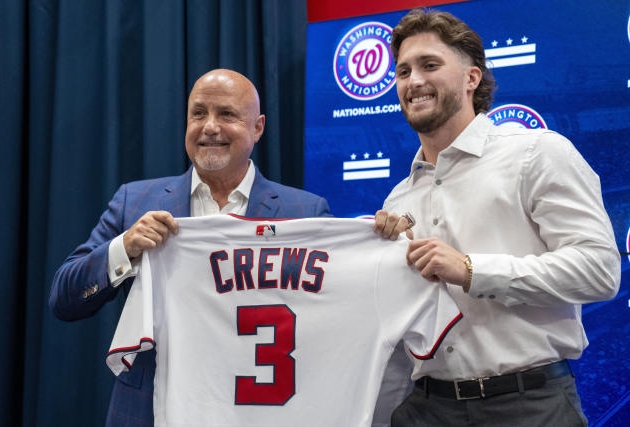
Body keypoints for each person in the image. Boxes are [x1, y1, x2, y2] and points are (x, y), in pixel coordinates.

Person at [373, 8, 620, 426]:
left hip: (530, 406)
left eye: (429, 65)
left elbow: (599, 271)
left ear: (472, 78)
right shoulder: (398, 197)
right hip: (425, 408)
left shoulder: (537, 153)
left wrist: (471, 269)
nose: (413, 81)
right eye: (402, 71)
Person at [50, 69, 331, 426]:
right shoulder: (134, 202)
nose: (209, 126)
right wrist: (125, 248)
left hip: (262, 411)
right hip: (150, 412)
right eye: (198, 113)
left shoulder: (304, 213)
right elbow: (64, 298)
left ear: (258, 127)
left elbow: (330, 322)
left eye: (226, 114)